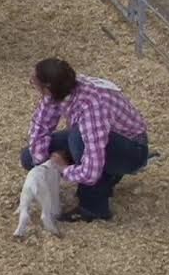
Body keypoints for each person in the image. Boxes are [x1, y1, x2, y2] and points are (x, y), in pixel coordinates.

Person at [19, 58, 152, 223]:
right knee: (28, 157)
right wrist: (42, 163)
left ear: (46, 88)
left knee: (78, 140)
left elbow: (91, 171)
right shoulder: (62, 88)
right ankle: (107, 177)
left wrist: (63, 168)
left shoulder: (91, 107)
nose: (32, 83)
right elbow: (41, 126)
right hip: (100, 136)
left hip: (132, 150)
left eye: (34, 82)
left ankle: (94, 208)